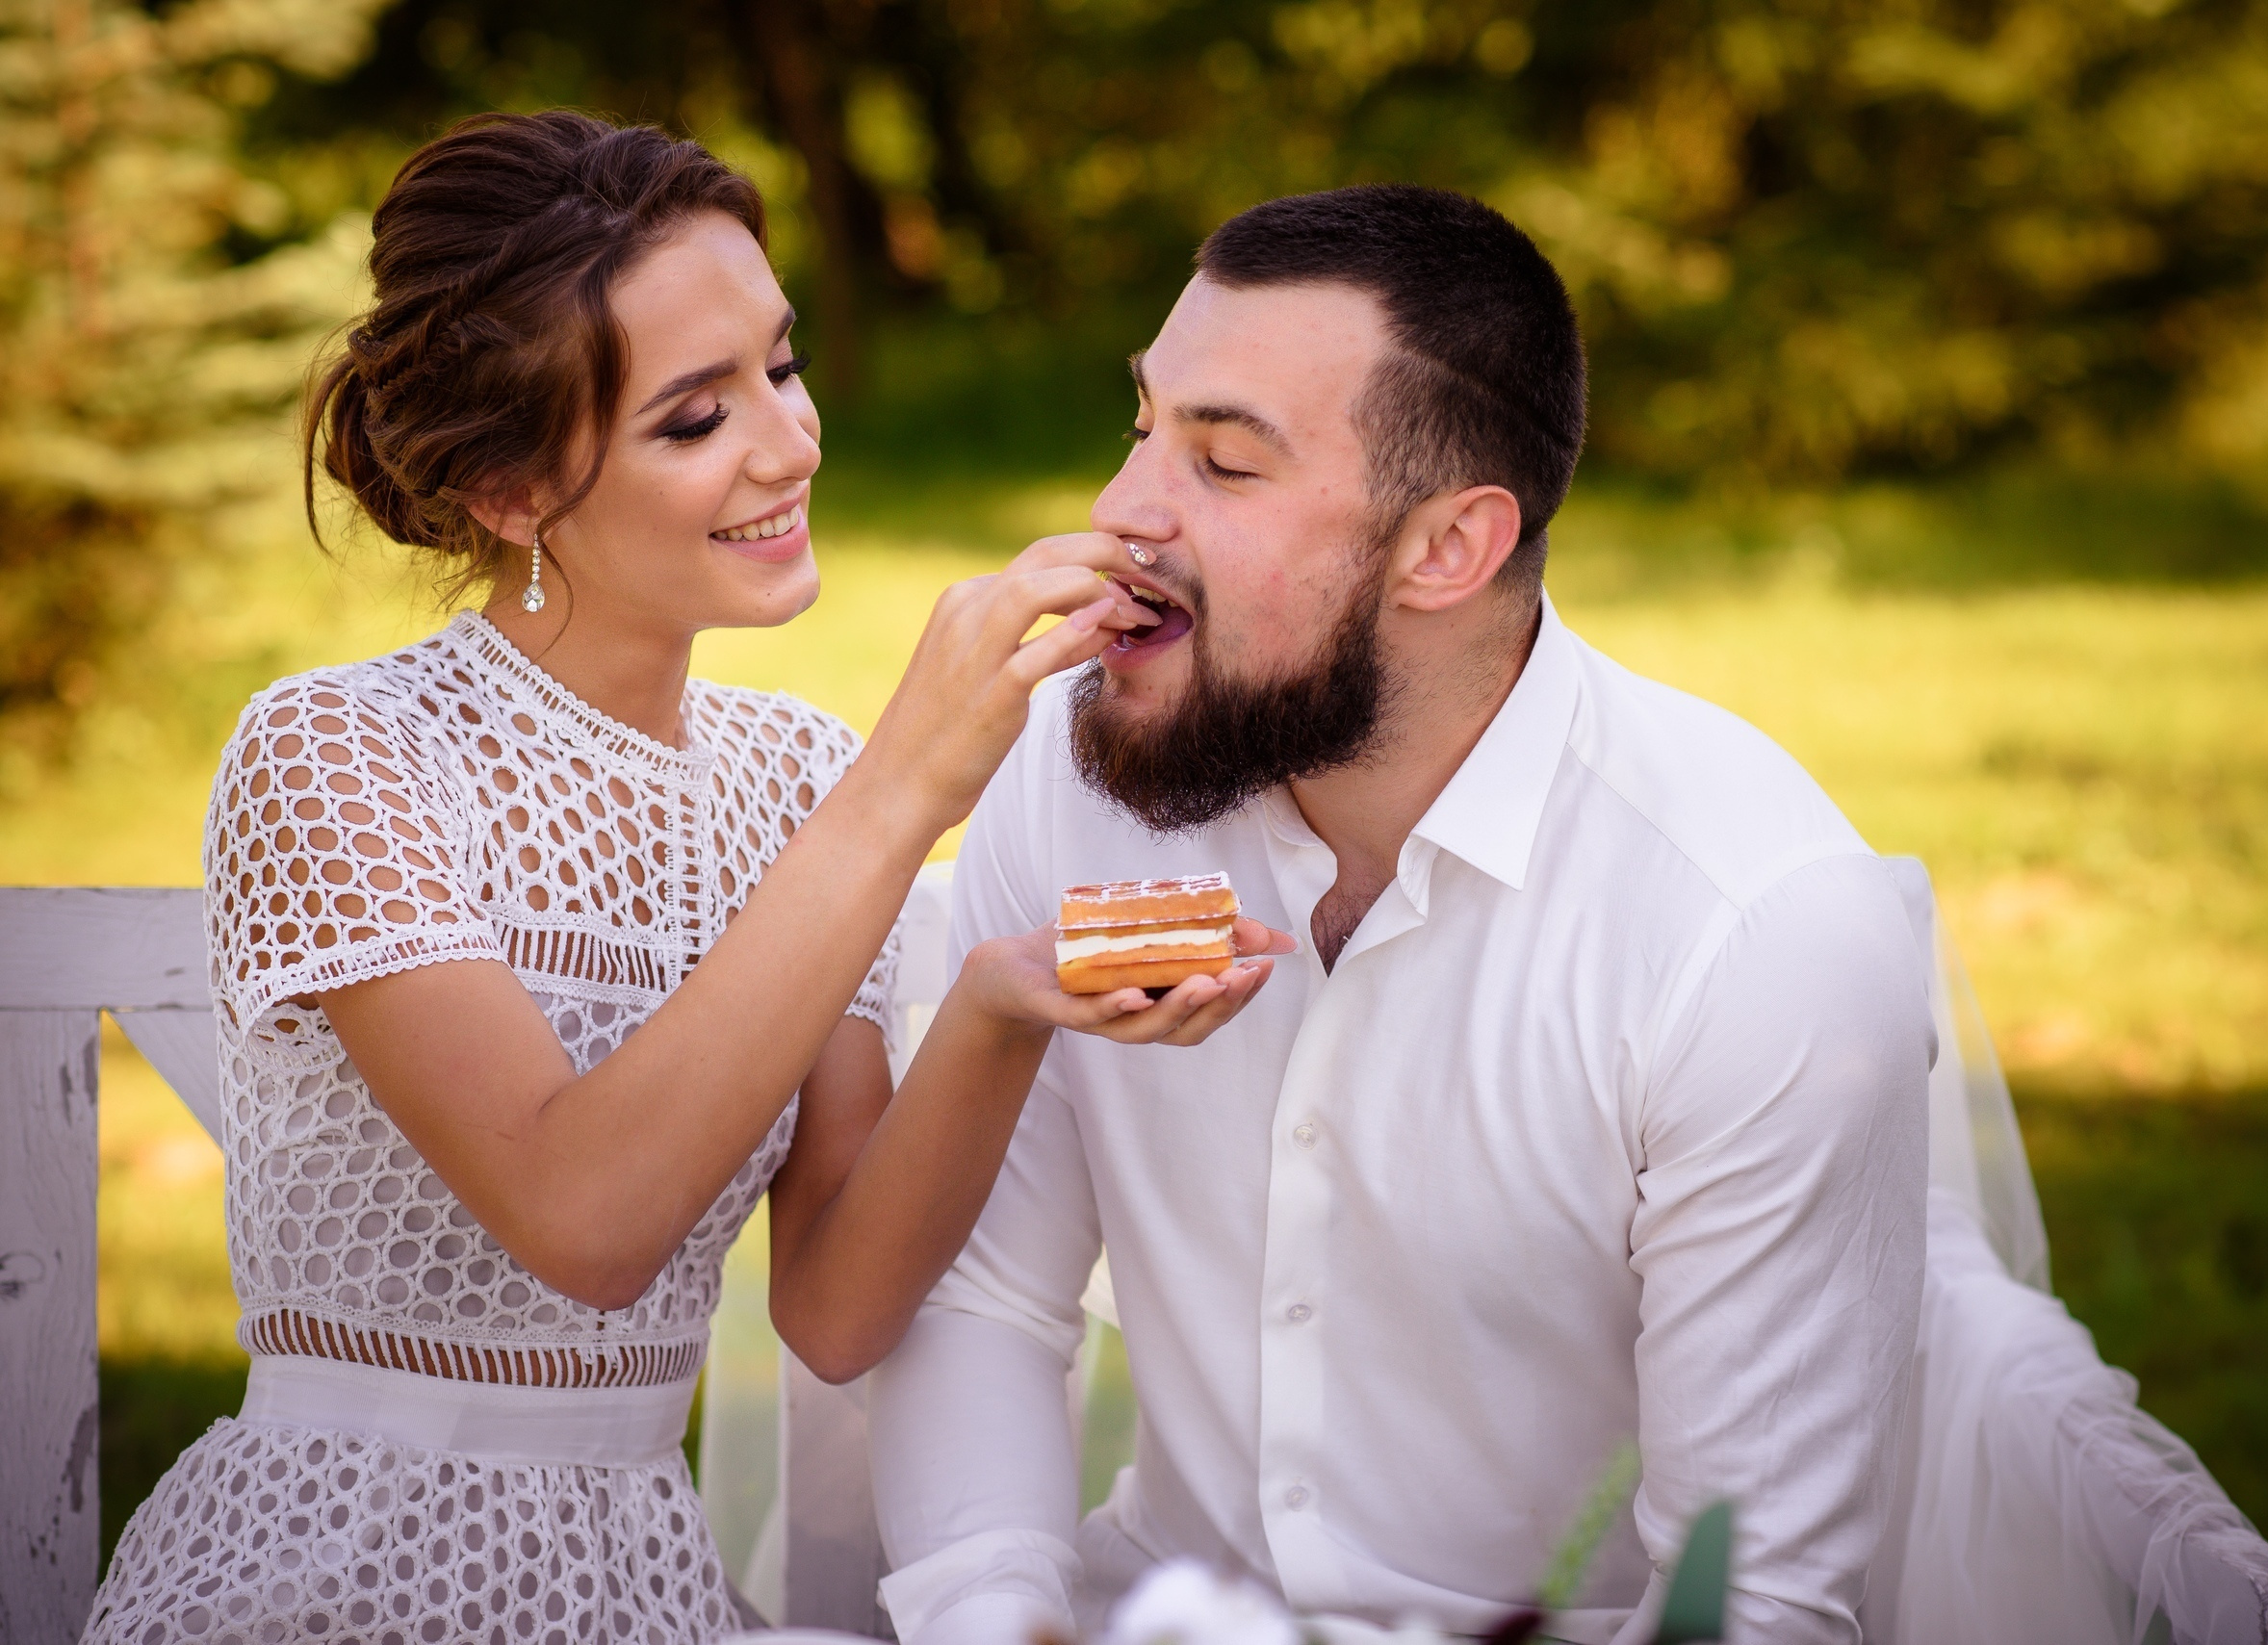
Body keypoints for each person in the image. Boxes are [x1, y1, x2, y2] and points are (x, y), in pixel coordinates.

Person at [83, 112, 1287, 1645]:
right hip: (341, 1579)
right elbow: (584, 1221)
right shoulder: (334, 756)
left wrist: (999, 1008)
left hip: (637, 1586)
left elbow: (836, 1305)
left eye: (778, 369)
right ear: (514, 491)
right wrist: (906, 782)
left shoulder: (789, 773)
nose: (789, 445)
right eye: (691, 419)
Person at [864, 185, 1937, 1645]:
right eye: (1141, 427)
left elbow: (1752, 1606)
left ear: (1448, 549)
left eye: (1222, 463)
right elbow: (984, 1296)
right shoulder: (1073, 776)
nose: (1121, 512)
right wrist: (998, 1623)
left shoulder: (1749, 935)